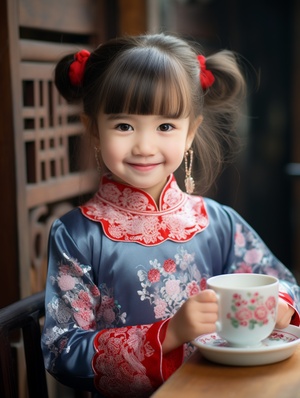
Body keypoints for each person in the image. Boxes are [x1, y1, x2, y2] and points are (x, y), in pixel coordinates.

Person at [41, 33, 300, 398]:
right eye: (124, 125)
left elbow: (287, 287)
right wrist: (170, 334)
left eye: (165, 126)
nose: (144, 146)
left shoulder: (217, 222)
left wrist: (280, 306)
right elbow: (61, 351)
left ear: (190, 131)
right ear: (93, 130)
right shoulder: (78, 234)